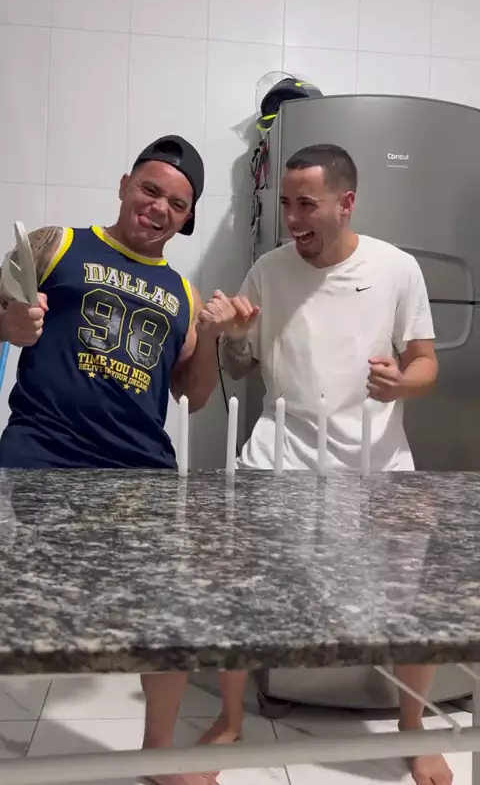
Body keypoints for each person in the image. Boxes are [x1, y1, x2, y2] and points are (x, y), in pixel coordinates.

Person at [0, 134, 243, 785]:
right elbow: (3, 307)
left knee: (169, 615)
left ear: (186, 220)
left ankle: (158, 754)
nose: (159, 207)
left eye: (176, 204)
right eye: (150, 189)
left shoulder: (184, 293)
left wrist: (210, 335)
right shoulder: (54, 243)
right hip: (40, 456)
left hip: (140, 474)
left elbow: (192, 396)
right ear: (124, 186)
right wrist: (9, 324)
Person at [216, 144, 451, 785]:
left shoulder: (397, 268)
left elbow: (427, 363)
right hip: (279, 453)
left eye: (306, 204)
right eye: (286, 204)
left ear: (346, 203)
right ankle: (230, 721)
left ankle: (412, 726)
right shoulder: (268, 270)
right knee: (240, 588)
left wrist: (403, 384)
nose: (292, 219)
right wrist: (232, 335)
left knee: (408, 603)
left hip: (377, 463)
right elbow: (240, 365)